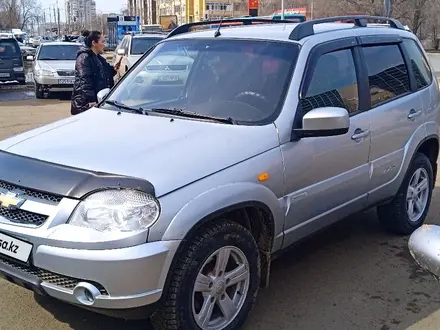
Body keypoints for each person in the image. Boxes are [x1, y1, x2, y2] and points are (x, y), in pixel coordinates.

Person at [71, 31, 120, 115]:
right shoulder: (84, 58)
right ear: (94, 43)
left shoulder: (99, 58)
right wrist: (91, 102)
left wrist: (114, 69)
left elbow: (103, 74)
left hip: (98, 102)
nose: (105, 44)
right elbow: (85, 83)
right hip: (86, 105)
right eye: (103, 42)